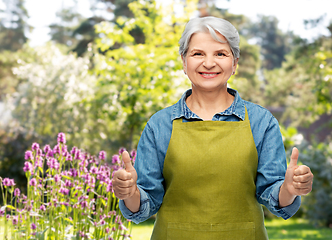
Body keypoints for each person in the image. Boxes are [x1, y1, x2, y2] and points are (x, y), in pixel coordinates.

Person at [112, 16, 313, 239]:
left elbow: (274, 197)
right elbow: (144, 205)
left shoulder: (261, 122)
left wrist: (289, 189)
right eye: (198, 54)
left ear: (235, 63)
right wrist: (130, 193)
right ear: (183, 61)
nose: (209, 63)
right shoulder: (159, 125)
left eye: (220, 53)